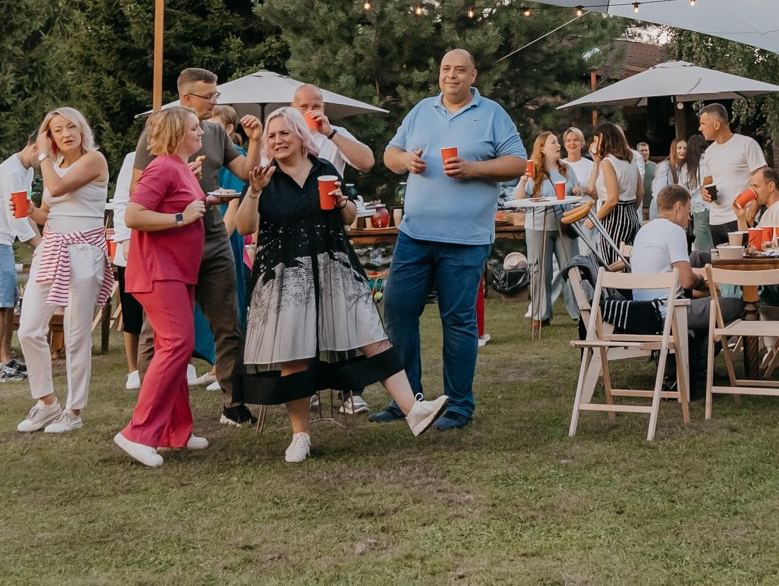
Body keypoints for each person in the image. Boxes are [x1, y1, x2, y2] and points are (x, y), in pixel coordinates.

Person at [235, 109, 449, 461]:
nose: (277, 140)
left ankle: (413, 410)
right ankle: (300, 435)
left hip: (334, 266)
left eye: (284, 133)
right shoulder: (264, 177)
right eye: (272, 136)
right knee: (295, 354)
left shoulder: (324, 170)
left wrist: (343, 203)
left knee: (372, 336)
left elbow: (348, 218)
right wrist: (254, 192)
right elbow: (244, 228)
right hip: (286, 273)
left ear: (302, 136)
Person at [375, 49, 527, 432]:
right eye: (446, 69)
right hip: (414, 234)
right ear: (439, 74)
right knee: (396, 308)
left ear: (473, 75)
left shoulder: (492, 114)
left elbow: (517, 163)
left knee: (458, 320)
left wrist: (475, 168)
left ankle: (459, 405)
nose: (452, 75)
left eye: (460, 70)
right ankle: (407, 400)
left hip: (466, 238)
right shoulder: (422, 110)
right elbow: (389, 154)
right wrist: (406, 160)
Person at [148, 67, 254, 428]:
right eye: (209, 96)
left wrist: (254, 142)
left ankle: (234, 402)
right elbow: (139, 196)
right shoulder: (157, 131)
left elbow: (244, 172)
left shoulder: (213, 132)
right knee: (169, 335)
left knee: (229, 323)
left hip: (213, 241)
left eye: (216, 95)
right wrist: (181, 184)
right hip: (172, 246)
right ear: (187, 98)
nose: (215, 101)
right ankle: (164, 411)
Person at [113, 106, 210, 466]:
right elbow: (134, 214)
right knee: (176, 344)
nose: (201, 132)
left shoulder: (181, 167)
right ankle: (138, 433)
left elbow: (182, 205)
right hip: (159, 270)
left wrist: (206, 202)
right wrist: (181, 217)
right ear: (177, 133)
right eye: (195, 128)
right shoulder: (163, 165)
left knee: (179, 347)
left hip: (179, 271)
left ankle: (174, 432)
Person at [15, 107, 111, 436]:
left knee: (75, 334)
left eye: (71, 126)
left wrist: (41, 154)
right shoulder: (54, 166)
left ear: (82, 129)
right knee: (28, 329)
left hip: (83, 250)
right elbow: (46, 212)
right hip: (51, 247)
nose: (66, 133)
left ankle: (74, 409)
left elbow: (57, 190)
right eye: (57, 130)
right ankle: (46, 402)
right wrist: (27, 209)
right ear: (52, 136)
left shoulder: (94, 159)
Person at [602, 184, 712, 389]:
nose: (689, 217)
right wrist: (704, 282)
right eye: (688, 211)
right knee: (732, 306)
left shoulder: (644, 231)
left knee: (705, 310)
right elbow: (687, 281)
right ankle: (695, 372)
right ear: (679, 206)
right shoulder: (674, 231)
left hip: (643, 311)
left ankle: (687, 369)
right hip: (668, 312)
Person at [0, 137, 38, 383]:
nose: (46, 162)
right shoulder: (12, 172)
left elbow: (27, 210)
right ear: (33, 146)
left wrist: (41, 242)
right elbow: (16, 217)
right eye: (44, 155)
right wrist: (37, 245)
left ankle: (5, 358)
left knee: (9, 302)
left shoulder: (27, 170)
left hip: (3, 242)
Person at [515, 131, 571, 330]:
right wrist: (523, 180)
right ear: (542, 148)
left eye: (558, 142)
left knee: (571, 269)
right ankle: (540, 315)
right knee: (539, 271)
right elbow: (520, 202)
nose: (558, 145)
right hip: (538, 224)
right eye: (553, 142)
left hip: (565, 224)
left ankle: (578, 312)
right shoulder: (533, 171)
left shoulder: (566, 169)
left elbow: (574, 191)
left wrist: (578, 191)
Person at [108, 134, 148, 390]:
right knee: (132, 307)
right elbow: (122, 200)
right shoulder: (132, 159)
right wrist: (124, 239)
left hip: (164, 242)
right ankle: (133, 369)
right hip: (132, 241)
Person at [696, 104, 768, 245]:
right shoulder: (709, 152)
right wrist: (703, 191)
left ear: (716, 124)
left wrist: (751, 214)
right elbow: (708, 181)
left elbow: (763, 181)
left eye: (703, 124)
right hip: (716, 219)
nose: (700, 129)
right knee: (723, 264)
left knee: (746, 263)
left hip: (740, 217)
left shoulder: (747, 144)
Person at [289, 84, 376, 176]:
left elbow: (367, 163)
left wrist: (331, 133)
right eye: (304, 107)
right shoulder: (280, 135)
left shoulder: (336, 133)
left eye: (316, 107)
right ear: (292, 108)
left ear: (323, 108)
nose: (310, 112)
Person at [592, 122, 645, 252]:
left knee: (613, 261)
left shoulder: (608, 162)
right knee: (629, 258)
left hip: (613, 217)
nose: (594, 145)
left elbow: (612, 199)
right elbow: (640, 192)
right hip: (631, 213)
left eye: (596, 141)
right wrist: (630, 210)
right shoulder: (631, 158)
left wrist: (594, 219)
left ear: (604, 140)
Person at [735, 165, 779, 235]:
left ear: (771, 186)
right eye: (751, 186)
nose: (752, 191)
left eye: (756, 186)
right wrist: (741, 218)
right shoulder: (770, 210)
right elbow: (751, 241)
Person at [559, 125, 597, 201]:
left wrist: (585, 190)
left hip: (588, 211)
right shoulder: (559, 166)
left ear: (582, 142)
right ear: (564, 144)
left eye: (576, 140)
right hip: (566, 211)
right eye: (568, 140)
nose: (572, 143)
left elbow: (599, 196)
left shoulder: (592, 166)